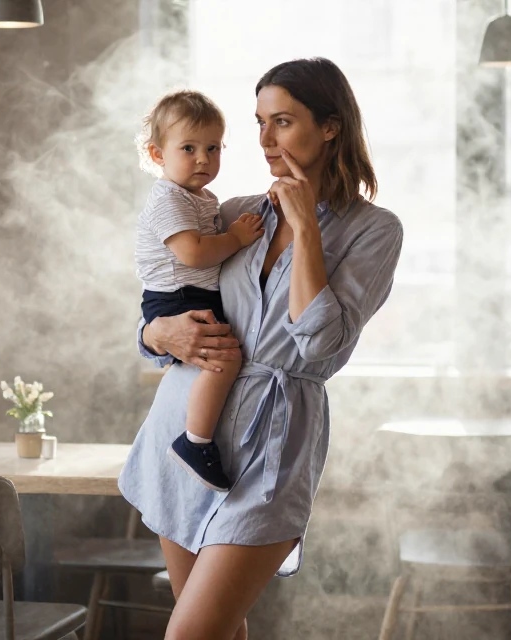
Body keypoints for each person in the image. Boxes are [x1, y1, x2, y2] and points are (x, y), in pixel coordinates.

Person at [119, 57, 404, 640]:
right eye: (258, 123)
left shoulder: (375, 230)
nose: (265, 139)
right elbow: (167, 300)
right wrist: (154, 335)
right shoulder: (236, 214)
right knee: (219, 631)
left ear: (330, 127)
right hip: (183, 433)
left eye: (282, 121)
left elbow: (321, 342)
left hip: (274, 443)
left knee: (191, 634)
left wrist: (306, 228)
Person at [134, 90, 266, 491]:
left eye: (213, 148)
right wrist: (236, 238)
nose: (203, 159)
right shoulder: (169, 198)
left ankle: (196, 435)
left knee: (219, 359)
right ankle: (195, 441)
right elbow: (192, 253)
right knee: (225, 359)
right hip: (178, 295)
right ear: (158, 154)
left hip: (188, 293)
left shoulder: (201, 197)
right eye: (188, 148)